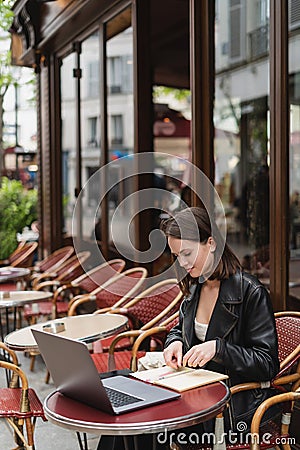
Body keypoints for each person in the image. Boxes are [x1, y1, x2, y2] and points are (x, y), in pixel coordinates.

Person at [160, 206, 279, 446]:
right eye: (176, 256)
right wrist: (173, 342)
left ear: (211, 243)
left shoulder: (249, 291)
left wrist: (219, 349)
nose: (182, 263)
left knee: (148, 429)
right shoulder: (195, 286)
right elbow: (180, 328)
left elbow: (267, 364)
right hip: (196, 396)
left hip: (233, 407)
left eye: (187, 253)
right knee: (135, 424)